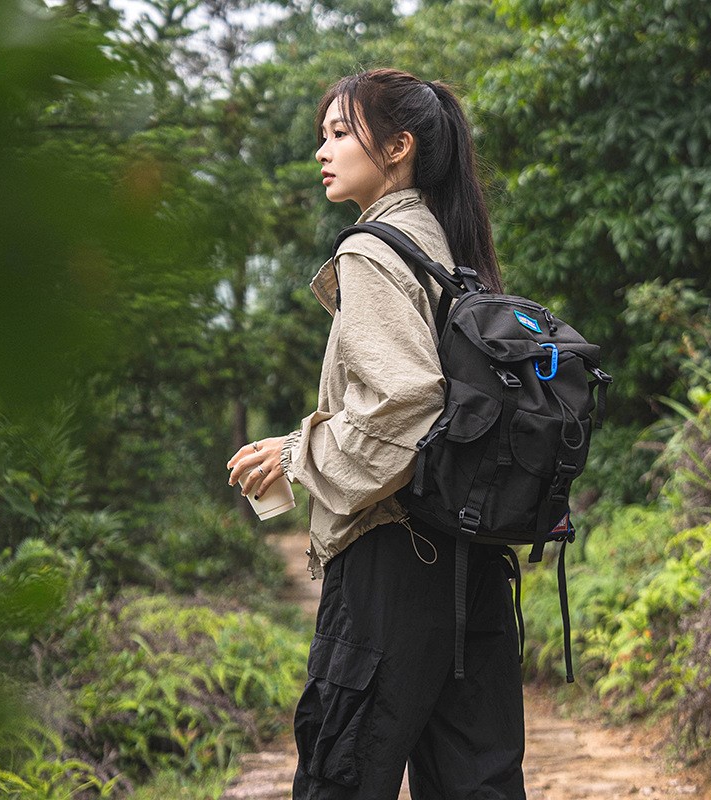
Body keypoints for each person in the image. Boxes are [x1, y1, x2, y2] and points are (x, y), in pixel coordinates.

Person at [227, 68, 525, 800]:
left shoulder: (372, 249)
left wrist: (297, 456)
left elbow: (403, 403)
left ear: (398, 147)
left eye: (338, 133)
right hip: (472, 558)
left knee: (342, 775)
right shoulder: (453, 249)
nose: (321, 151)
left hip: (392, 560)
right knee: (476, 784)